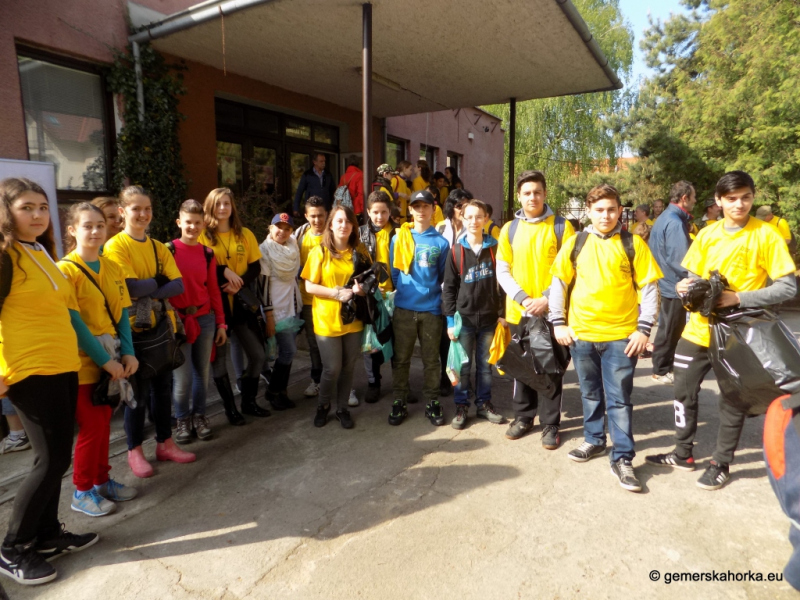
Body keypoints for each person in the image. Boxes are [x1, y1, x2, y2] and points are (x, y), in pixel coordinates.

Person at [645, 171, 797, 490]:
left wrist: (738, 297)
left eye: (745, 197)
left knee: (732, 398)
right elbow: (691, 274)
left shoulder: (766, 234)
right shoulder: (708, 234)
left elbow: (786, 287)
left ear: (753, 197)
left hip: (738, 333)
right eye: (731, 199)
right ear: (718, 201)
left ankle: (720, 462)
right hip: (699, 330)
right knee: (682, 390)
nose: (739, 204)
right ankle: (683, 453)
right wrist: (687, 285)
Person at [0, 178, 97, 586]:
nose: (38, 215)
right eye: (26, 207)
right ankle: (12, 548)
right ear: (7, 212)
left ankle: (46, 534)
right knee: (48, 459)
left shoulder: (40, 250)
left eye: (42, 207)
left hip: (61, 366)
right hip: (27, 370)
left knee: (59, 455)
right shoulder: (5, 256)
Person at [551, 183, 662, 493]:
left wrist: (643, 329)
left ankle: (623, 457)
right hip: (581, 335)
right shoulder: (576, 243)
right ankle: (594, 440)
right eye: (599, 210)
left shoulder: (633, 244)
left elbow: (650, 288)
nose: (606, 215)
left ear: (619, 211)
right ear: (588, 212)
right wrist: (558, 323)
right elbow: (559, 283)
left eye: (611, 209)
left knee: (619, 399)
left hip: (620, 338)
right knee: (589, 393)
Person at [104, 186, 195, 477]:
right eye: (136, 209)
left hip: (161, 328)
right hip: (131, 332)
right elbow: (129, 288)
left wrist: (148, 286)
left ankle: (165, 443)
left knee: (163, 390)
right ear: (122, 212)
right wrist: (157, 281)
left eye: (147, 209)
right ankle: (134, 451)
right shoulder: (116, 246)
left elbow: (178, 285)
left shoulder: (158, 246)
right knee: (138, 395)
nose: (143, 214)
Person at [59, 202, 139, 516]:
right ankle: (81, 491)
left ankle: (102, 481)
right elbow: (74, 322)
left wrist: (128, 352)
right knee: (92, 426)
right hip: (83, 362)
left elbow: (121, 313)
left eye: (100, 225)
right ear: (72, 230)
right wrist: (105, 362)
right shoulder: (64, 269)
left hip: (113, 358)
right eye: (87, 225)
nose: (94, 231)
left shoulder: (112, 267)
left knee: (104, 424)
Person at [496, 170, 575, 448]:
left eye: (537, 192)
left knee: (550, 367)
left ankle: (551, 424)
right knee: (522, 366)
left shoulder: (562, 227)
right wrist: (522, 298)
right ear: (519, 196)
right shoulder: (509, 229)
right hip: (520, 311)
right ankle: (523, 417)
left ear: (544, 194)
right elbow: (502, 270)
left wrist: (545, 298)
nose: (533, 197)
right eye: (527, 193)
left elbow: (568, 270)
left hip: (550, 312)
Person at [199, 188, 270, 421]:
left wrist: (238, 284)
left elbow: (255, 268)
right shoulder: (202, 235)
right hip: (215, 306)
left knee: (258, 355)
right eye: (218, 204)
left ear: (232, 207)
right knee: (219, 360)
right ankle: (230, 409)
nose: (222, 208)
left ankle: (249, 402)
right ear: (210, 207)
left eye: (227, 204)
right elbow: (199, 268)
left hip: (240, 303)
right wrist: (223, 271)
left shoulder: (245, 234)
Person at [301, 205, 370, 429]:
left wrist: (362, 289)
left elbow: (370, 279)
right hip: (326, 319)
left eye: (348, 221)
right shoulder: (319, 252)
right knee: (332, 368)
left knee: (349, 366)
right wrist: (335, 293)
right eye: (339, 221)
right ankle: (323, 406)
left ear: (353, 226)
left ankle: (342, 408)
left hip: (353, 319)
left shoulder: (359, 251)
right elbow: (309, 286)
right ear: (331, 224)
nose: (343, 225)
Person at [388, 190, 450, 427]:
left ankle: (432, 401)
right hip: (404, 308)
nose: (421, 211)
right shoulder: (399, 237)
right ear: (410, 210)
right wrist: (405, 293)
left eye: (426, 206)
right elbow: (395, 272)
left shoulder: (441, 243)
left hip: (431, 310)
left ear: (433, 210)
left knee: (431, 360)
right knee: (401, 359)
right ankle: (399, 400)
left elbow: (443, 276)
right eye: (416, 207)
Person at [442, 199, 506, 429]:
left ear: (486, 219)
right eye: (469, 217)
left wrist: (503, 313)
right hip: (464, 320)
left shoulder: (495, 248)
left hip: (489, 319)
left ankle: (484, 404)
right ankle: (461, 406)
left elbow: (505, 283)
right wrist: (450, 320)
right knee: (463, 366)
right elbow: (448, 288)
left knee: (485, 365)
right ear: (462, 218)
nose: (474, 221)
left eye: (478, 216)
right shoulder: (456, 251)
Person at [168, 200, 228, 443]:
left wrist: (221, 323)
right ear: (179, 222)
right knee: (181, 378)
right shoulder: (168, 250)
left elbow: (213, 290)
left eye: (197, 223)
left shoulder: (207, 253)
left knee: (201, 373)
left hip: (205, 319)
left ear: (203, 224)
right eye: (188, 222)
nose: (192, 227)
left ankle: (200, 415)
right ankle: (182, 418)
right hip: (179, 323)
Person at [647, 180, 696, 385]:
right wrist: (695, 276)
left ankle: (662, 367)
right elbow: (680, 260)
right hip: (674, 283)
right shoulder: (674, 221)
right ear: (684, 198)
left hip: (666, 280)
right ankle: (661, 369)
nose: (695, 201)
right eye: (693, 198)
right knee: (670, 329)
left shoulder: (666, 217)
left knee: (669, 328)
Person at [260, 213, 302, 411]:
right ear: (270, 228)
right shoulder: (265, 251)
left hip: (291, 307)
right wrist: (268, 316)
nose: (282, 232)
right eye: (278, 226)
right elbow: (263, 286)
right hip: (274, 310)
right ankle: (272, 391)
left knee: (287, 353)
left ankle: (281, 393)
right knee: (288, 351)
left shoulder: (293, 247)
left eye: (287, 228)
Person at [357, 191, 396, 403]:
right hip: (371, 297)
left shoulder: (400, 233)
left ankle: (400, 384)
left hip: (395, 295)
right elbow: (357, 267)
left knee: (397, 341)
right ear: (368, 212)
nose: (379, 216)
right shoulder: (360, 234)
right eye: (375, 212)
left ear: (390, 211)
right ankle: (374, 383)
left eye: (383, 212)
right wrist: (368, 288)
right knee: (371, 344)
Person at [436, 189, 472, 396]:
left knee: (465, 338)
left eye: (466, 205)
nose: (463, 209)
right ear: (451, 207)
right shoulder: (440, 227)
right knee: (444, 339)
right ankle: (445, 376)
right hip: (444, 291)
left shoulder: (474, 227)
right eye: (459, 205)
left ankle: (465, 379)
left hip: (466, 291)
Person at [294, 196, 328, 398]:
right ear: (306, 216)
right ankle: (316, 380)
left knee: (334, 343)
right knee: (314, 343)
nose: (317, 220)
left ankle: (343, 384)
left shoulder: (333, 235)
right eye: (313, 216)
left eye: (320, 215)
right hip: (307, 299)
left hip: (329, 299)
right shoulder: (299, 235)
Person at [293, 152, 336, 217]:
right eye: (321, 161)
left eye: (324, 161)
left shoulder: (328, 174)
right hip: (312, 207)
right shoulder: (308, 175)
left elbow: (333, 191)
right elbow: (299, 191)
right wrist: (296, 208)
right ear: (315, 162)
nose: (323, 163)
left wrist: (333, 207)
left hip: (325, 208)